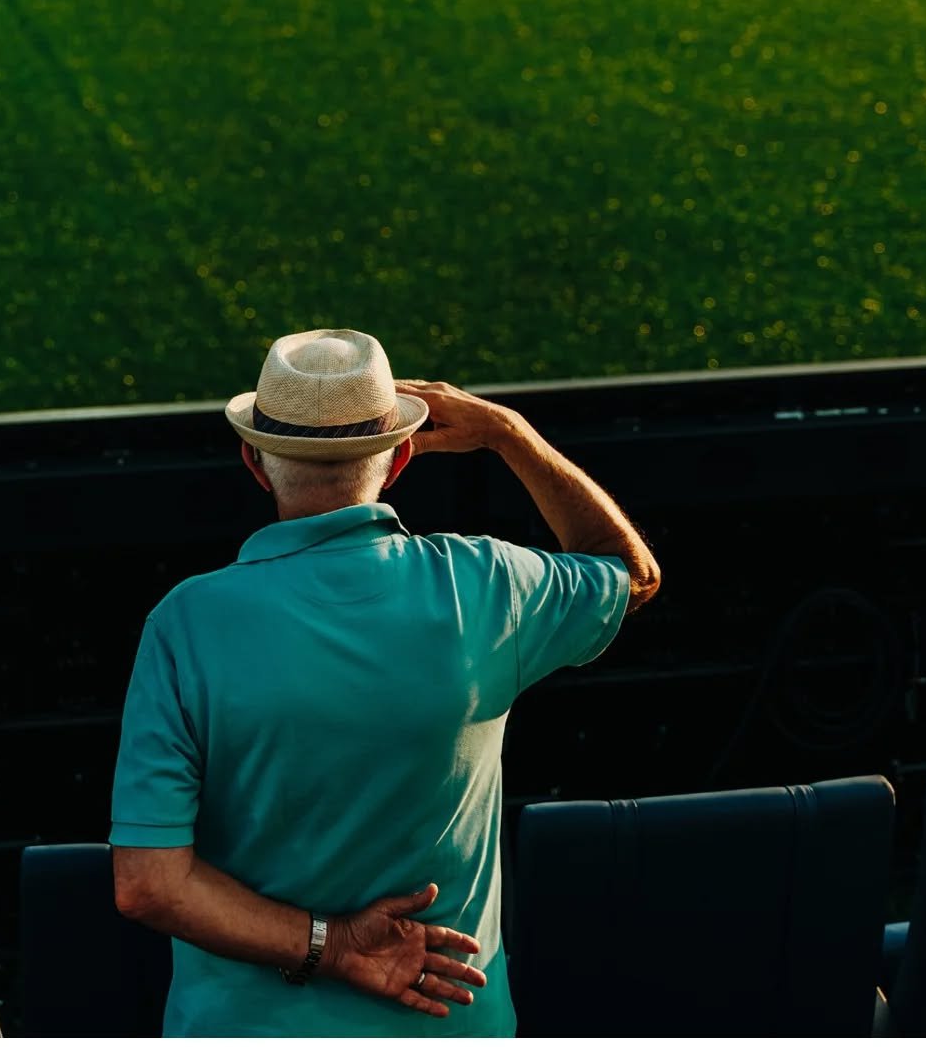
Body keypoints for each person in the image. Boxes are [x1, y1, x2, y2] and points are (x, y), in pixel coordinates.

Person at [111, 328, 660, 1038]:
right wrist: (509, 434)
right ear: (400, 460)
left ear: (254, 461)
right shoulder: (488, 584)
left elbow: (149, 886)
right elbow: (632, 573)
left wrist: (333, 947)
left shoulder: (183, 624)